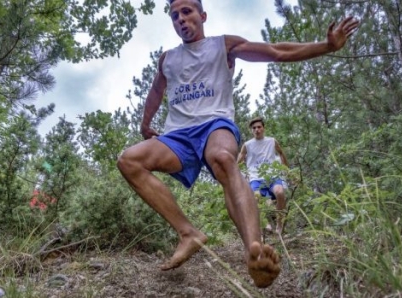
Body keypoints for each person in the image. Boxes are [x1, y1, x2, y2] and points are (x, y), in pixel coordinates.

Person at [117, 0, 358, 288]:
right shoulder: (167, 58)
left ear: (202, 15)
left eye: (187, 12)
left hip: (215, 124)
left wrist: (326, 46)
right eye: (175, 15)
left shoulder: (224, 46)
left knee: (222, 158)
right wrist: (145, 124)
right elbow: (157, 89)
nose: (181, 18)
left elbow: (276, 51)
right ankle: (188, 233)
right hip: (177, 136)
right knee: (129, 160)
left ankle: (254, 252)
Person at [238, 117, 289, 235]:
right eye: (254, 128)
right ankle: (264, 223)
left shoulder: (272, 141)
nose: (256, 130)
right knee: (256, 198)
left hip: (272, 176)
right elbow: (239, 162)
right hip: (256, 177)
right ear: (251, 130)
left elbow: (281, 152)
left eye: (259, 127)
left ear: (263, 128)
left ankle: (279, 224)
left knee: (280, 192)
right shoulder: (247, 145)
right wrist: (238, 176)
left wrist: (286, 170)